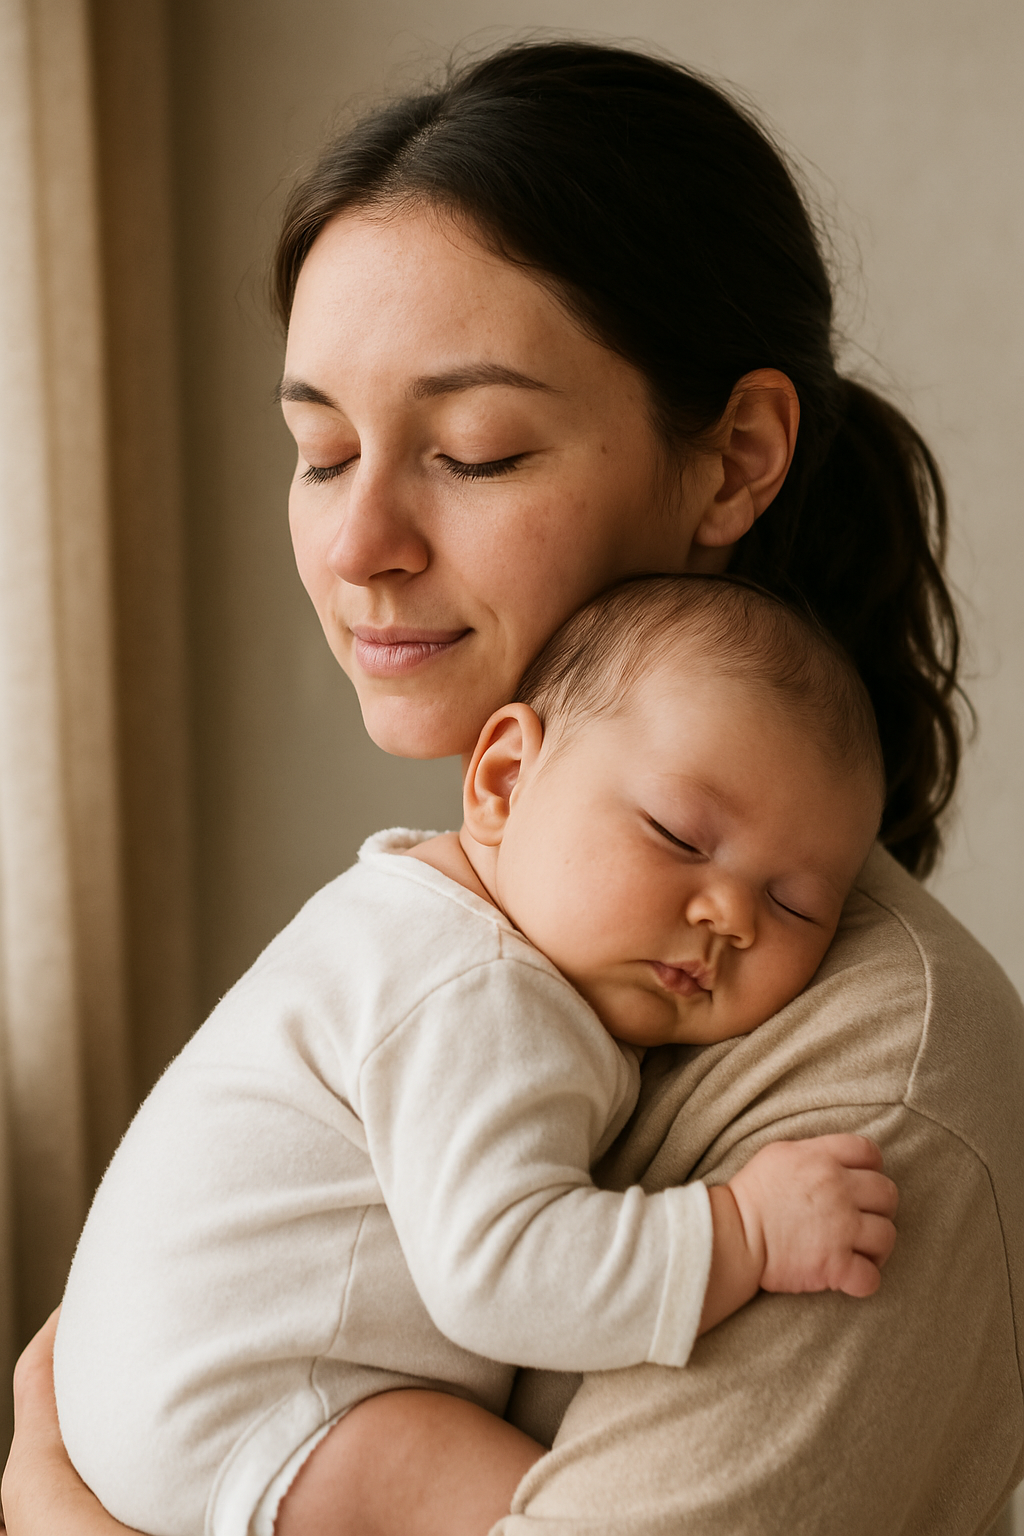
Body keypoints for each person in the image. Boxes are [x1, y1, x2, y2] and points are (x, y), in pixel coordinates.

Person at [3, 38, 1022, 1536]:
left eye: (473, 452)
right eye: (321, 449)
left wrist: (52, 1509)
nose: (358, 546)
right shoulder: (452, 934)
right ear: (501, 780)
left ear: (736, 459)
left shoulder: (878, 1107)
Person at [52, 576, 899, 1536]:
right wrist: (742, 1232)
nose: (731, 916)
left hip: (161, 1392)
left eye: (794, 905)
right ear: (502, 781)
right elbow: (498, 1271)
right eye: (677, 834)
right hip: (253, 1409)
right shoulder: (481, 989)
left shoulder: (434, 927)